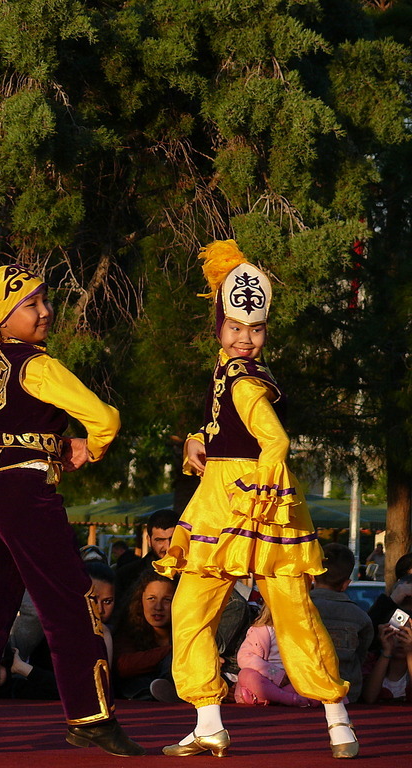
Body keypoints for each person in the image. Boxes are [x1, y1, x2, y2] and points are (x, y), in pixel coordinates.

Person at [154, 240, 355, 758]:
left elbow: (276, 441)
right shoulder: (226, 370)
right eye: (237, 329)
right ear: (219, 329)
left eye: (256, 330)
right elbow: (222, 424)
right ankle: (223, 722)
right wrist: (198, 437)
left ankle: (330, 716)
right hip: (226, 495)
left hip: (243, 499)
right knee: (204, 609)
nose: (246, 339)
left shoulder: (244, 378)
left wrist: (263, 491)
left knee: (275, 609)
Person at [0, 265, 143, 758]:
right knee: (68, 603)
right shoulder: (35, 365)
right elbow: (106, 416)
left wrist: (58, 443)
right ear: (2, 317)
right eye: (31, 304)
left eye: (43, 300)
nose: (45, 311)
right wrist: (89, 447)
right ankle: (90, 717)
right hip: (23, 491)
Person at [310, 544, 373, 703]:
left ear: (312, 575)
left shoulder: (299, 608)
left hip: (302, 688)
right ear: (346, 584)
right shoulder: (360, 616)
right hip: (347, 693)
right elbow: (361, 655)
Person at [234, 602, 314, 707]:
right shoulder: (263, 630)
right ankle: (288, 698)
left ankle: (271, 698)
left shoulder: (303, 632)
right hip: (264, 678)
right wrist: (276, 675)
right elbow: (245, 657)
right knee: (245, 674)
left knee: (311, 681)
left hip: (292, 680)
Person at [112, 572, 176, 700]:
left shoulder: (189, 630)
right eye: (151, 598)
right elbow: (124, 666)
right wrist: (174, 650)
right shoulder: (129, 628)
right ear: (140, 600)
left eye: (167, 600)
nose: (158, 607)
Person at [114, 508, 178, 605]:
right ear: (149, 540)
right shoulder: (126, 576)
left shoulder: (196, 573)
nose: (168, 547)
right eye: (160, 540)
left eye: (173, 539)